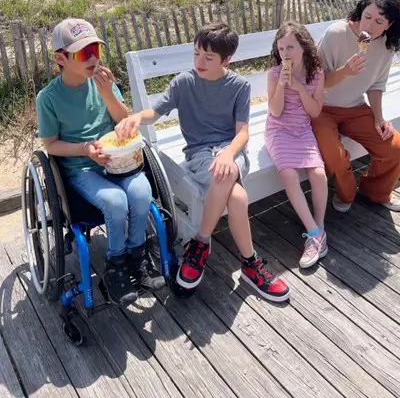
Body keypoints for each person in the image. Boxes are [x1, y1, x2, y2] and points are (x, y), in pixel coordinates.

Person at [116, 22, 290, 302]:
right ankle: (251, 264)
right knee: (238, 197)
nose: (200, 61)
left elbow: (242, 132)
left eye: (209, 57)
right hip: (198, 154)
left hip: (231, 152)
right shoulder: (184, 82)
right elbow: (156, 111)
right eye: (197, 53)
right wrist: (136, 117)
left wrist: (228, 153)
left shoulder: (238, 85)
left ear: (227, 60)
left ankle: (200, 243)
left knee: (228, 175)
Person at [36, 18, 165, 307]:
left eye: (95, 49)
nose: (93, 58)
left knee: (142, 192)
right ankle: (115, 264)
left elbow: (124, 121)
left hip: (119, 160)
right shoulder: (48, 98)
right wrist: (85, 149)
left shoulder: (103, 81)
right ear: (61, 58)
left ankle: (138, 255)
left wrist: (108, 94)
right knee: (116, 202)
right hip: (81, 167)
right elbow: (50, 145)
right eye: (83, 53)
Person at [312, 0, 400, 213]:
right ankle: (346, 195)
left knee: (397, 150)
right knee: (334, 156)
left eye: (379, 21)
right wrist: (345, 71)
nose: (370, 26)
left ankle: (376, 192)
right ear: (360, 12)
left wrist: (379, 118)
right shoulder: (336, 33)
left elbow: (376, 86)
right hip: (321, 108)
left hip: (355, 108)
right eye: (367, 17)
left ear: (389, 25)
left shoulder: (387, 46)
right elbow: (316, 83)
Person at [265, 22, 328, 269]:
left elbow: (314, 112)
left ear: (304, 47)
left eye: (290, 47)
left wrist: (300, 88)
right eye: (281, 48)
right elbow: (276, 111)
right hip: (278, 131)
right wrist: (281, 84)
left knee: (319, 174)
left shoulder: (317, 75)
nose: (285, 53)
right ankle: (313, 234)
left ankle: (320, 227)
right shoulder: (273, 74)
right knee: (289, 174)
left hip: (302, 130)